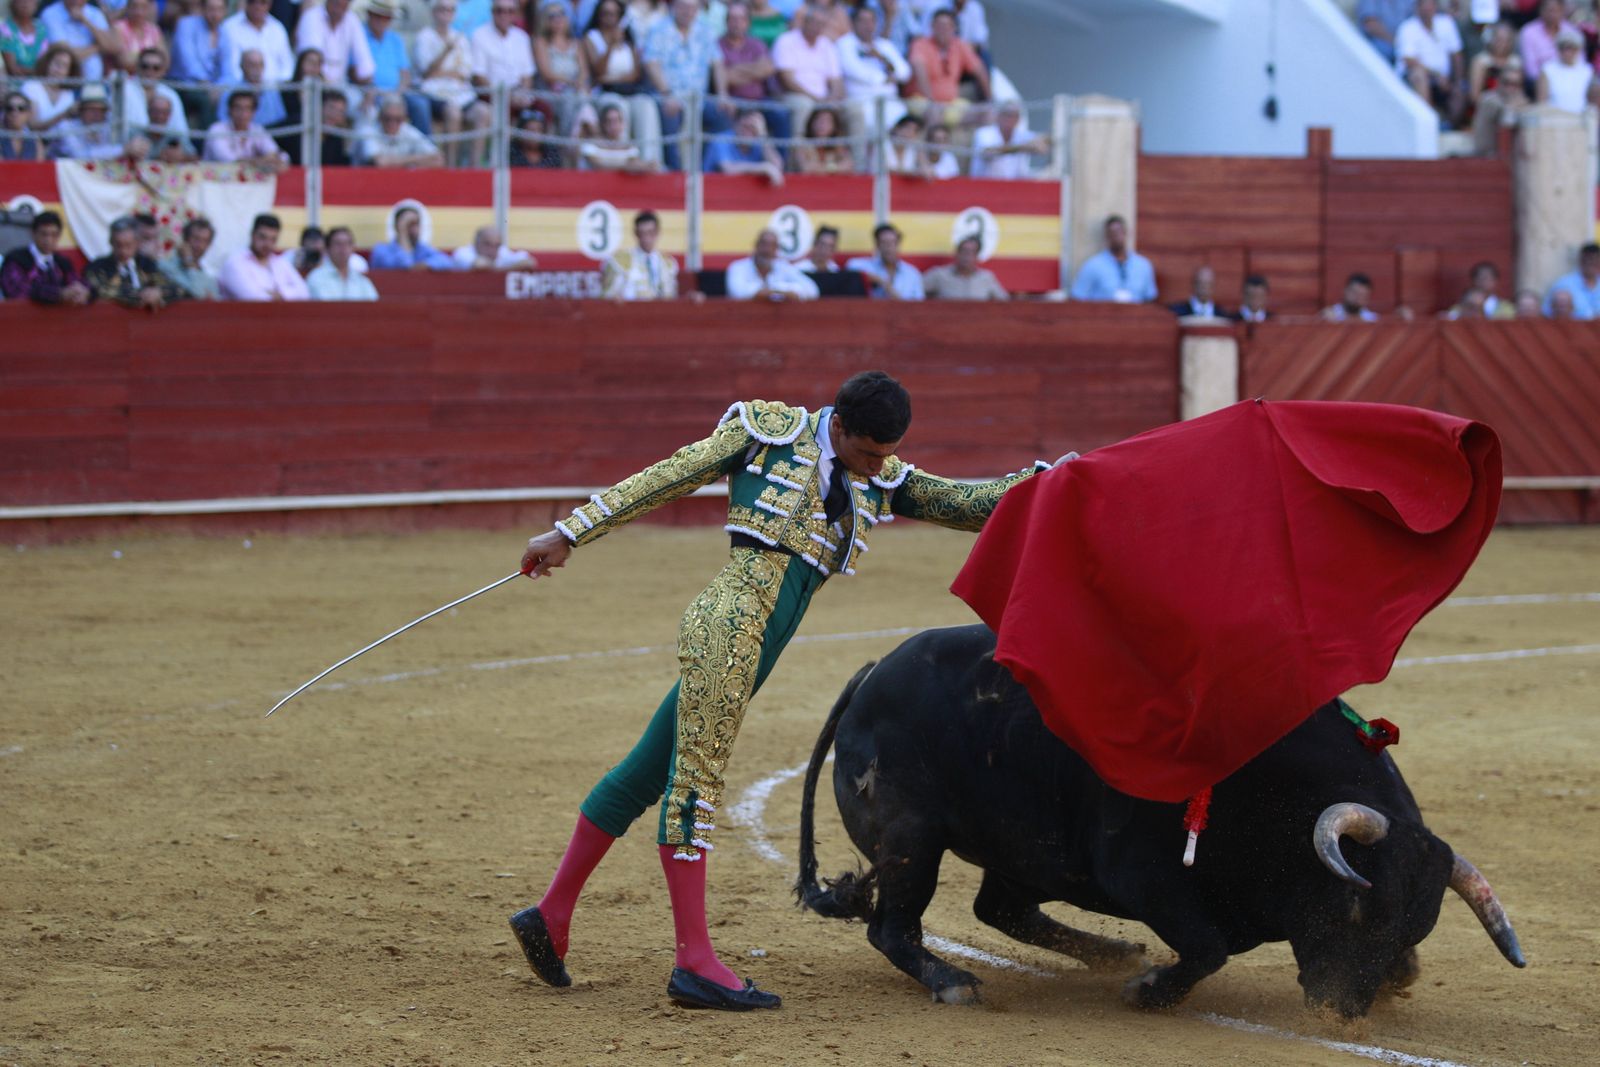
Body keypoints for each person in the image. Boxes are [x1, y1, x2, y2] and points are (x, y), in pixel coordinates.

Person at [507, 370, 1056, 1010]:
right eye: (868, 451)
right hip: (729, 629)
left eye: (888, 453)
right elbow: (667, 476)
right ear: (840, 425)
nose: (879, 465)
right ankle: (694, 964)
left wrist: (1049, 481)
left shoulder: (878, 475)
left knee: (644, 772)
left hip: (756, 646)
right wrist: (568, 533)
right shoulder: (768, 432)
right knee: (695, 786)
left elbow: (966, 503)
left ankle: (550, 915)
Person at [642, 0, 734, 171]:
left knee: (723, 114)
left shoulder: (705, 31)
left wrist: (722, 93)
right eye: (683, 7)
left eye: (692, 7)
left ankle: (709, 169)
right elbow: (651, 64)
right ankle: (676, 172)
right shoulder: (659, 30)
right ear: (674, 7)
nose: (688, 12)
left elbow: (717, 63)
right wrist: (667, 93)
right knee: (670, 115)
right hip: (668, 96)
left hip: (699, 98)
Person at [415, 0, 487, 167]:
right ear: (434, 12)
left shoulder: (460, 38)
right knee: (453, 113)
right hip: (434, 93)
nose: (446, 14)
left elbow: (466, 72)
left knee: (483, 112)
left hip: (461, 93)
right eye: (442, 9)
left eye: (450, 10)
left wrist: (442, 72)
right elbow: (426, 72)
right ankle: (451, 166)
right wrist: (445, 53)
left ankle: (475, 167)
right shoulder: (424, 36)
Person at [772, 4, 845, 147]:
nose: (817, 27)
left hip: (824, 98)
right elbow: (787, 80)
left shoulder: (827, 45)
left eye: (821, 24)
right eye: (814, 22)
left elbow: (837, 81)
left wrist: (831, 98)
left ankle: (856, 165)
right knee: (803, 105)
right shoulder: (786, 40)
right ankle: (797, 162)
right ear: (805, 21)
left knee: (854, 110)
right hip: (794, 95)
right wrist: (816, 99)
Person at [835, 3, 907, 141]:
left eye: (871, 21)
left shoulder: (884, 45)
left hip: (890, 102)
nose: (867, 25)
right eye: (862, 21)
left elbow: (904, 72)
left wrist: (882, 59)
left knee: (905, 126)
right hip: (862, 102)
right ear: (853, 23)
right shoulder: (844, 43)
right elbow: (854, 71)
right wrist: (886, 79)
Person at [906, 7, 988, 125]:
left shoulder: (959, 45)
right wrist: (931, 102)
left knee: (984, 114)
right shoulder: (920, 44)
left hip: (950, 104)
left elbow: (979, 69)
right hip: (921, 100)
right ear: (932, 26)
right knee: (932, 113)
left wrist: (989, 99)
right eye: (939, 26)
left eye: (947, 26)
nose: (942, 30)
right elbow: (920, 71)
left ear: (954, 28)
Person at [84, 216, 183, 311]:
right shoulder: (98, 267)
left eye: (128, 245)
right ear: (110, 242)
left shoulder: (146, 264)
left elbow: (177, 289)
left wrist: (159, 292)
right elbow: (103, 290)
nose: (123, 251)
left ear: (137, 242)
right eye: (118, 245)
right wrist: (144, 295)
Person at [365, 0, 433, 134]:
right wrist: (375, 90)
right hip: (371, 91)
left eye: (387, 17)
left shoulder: (395, 39)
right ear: (370, 15)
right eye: (378, 16)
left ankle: (426, 149)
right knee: (374, 109)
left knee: (420, 105)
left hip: (397, 92)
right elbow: (356, 71)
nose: (382, 21)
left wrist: (397, 92)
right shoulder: (360, 35)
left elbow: (405, 74)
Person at [1396, 0, 1465, 127]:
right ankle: (1426, 127)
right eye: (1424, 4)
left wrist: (1457, 82)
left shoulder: (1446, 23)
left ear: (1435, 6)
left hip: (1442, 80)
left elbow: (1456, 54)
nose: (1428, 8)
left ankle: (1451, 126)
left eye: (1431, 4)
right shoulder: (1407, 27)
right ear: (1417, 8)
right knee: (1419, 75)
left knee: (1460, 89)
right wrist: (1436, 75)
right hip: (1413, 79)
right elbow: (1409, 61)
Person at [0, 210, 90, 305]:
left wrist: (84, 292)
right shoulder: (16, 259)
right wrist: (58, 294)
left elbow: (79, 283)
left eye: (54, 235)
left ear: (59, 236)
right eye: (44, 234)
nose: (48, 240)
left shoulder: (62, 263)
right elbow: (16, 291)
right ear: (33, 234)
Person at [219, 213, 312, 300]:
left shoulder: (280, 263)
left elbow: (304, 292)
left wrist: (281, 294)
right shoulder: (235, 263)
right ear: (252, 234)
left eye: (273, 239)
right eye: (263, 237)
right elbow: (252, 297)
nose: (267, 244)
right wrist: (284, 294)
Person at [1069, 215, 1156, 304]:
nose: (1116, 236)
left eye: (1119, 232)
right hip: (1102, 315)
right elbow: (1077, 298)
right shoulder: (1093, 265)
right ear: (1107, 236)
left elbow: (1150, 298)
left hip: (1136, 315)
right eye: (1112, 233)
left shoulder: (1143, 265)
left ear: (1126, 233)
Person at [297, 0, 376, 89]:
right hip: (311, 87)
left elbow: (366, 66)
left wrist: (367, 88)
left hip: (340, 89)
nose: (339, 8)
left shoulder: (352, 20)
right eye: (336, 3)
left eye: (344, 4)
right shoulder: (311, 16)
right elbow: (312, 62)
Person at [601, 209, 678, 300]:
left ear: (657, 232)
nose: (646, 238)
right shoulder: (619, 261)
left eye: (650, 233)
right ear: (636, 233)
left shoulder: (668, 263)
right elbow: (607, 296)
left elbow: (672, 296)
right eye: (642, 233)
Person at [725, 227, 820, 299]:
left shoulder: (783, 267)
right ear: (756, 245)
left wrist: (783, 292)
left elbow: (812, 290)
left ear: (776, 249)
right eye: (764, 244)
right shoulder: (738, 267)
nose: (767, 250)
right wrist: (776, 292)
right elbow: (737, 292)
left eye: (772, 246)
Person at [203, 89, 288, 168]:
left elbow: (277, 154)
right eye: (238, 108)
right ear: (229, 110)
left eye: (247, 108)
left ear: (254, 112)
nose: (242, 113)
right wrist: (262, 161)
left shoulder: (257, 129)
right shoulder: (216, 130)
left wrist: (271, 158)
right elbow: (229, 161)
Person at [38, 0, 117, 81]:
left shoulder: (95, 13)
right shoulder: (50, 14)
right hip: (65, 82)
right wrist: (98, 47)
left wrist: (85, 21)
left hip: (95, 83)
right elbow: (66, 54)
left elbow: (112, 47)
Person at [969, 100, 1047, 181]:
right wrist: (1021, 148)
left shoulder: (1021, 135)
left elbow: (1041, 144)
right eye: (1007, 115)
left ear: (1018, 119)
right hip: (985, 186)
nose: (1010, 119)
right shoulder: (984, 133)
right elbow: (988, 152)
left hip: (1014, 187)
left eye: (1014, 116)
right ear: (998, 116)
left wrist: (1041, 143)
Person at [359, 93, 445, 166]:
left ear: (405, 119)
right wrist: (416, 161)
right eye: (387, 118)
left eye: (398, 119)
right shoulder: (368, 131)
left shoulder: (408, 131)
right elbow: (380, 163)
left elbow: (439, 159)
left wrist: (401, 162)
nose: (392, 123)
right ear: (380, 117)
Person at [220, 0, 295, 83]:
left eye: (263, 2)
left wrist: (273, 85)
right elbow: (231, 69)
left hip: (274, 89)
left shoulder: (277, 28)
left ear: (270, 4)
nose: (257, 6)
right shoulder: (229, 27)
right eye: (252, 1)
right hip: (240, 89)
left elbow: (287, 67)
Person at [704, 106, 785, 181]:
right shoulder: (721, 140)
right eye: (745, 126)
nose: (748, 132)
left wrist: (762, 136)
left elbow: (777, 166)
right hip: (713, 192)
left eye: (753, 128)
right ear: (735, 124)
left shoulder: (758, 141)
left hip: (743, 194)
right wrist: (762, 168)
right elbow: (728, 169)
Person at [845, 221, 922, 300]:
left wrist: (890, 290)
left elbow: (919, 304)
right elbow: (851, 269)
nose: (888, 247)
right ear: (877, 245)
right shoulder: (864, 265)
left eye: (892, 242)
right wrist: (880, 281)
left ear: (898, 244)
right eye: (884, 243)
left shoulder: (912, 273)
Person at [370, 203, 456, 270]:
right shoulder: (381, 251)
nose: (415, 229)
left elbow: (446, 262)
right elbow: (405, 265)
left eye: (417, 224)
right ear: (397, 226)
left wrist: (424, 265)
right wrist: (403, 234)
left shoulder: (422, 249)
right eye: (409, 224)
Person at [578, 100, 658, 170]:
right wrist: (627, 167)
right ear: (603, 124)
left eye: (616, 121)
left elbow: (636, 165)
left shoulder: (630, 147)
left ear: (623, 124)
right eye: (609, 121)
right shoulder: (591, 145)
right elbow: (597, 166)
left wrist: (646, 165)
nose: (613, 126)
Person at [922, 235, 1007, 301]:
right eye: (963, 251)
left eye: (971, 253)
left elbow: (1005, 303)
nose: (966, 256)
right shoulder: (940, 275)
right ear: (956, 254)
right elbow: (914, 291)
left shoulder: (986, 278)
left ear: (977, 257)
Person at [51, 82, 123, 160]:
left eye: (101, 110)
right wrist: (122, 150)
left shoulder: (108, 128)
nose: (96, 114)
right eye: (91, 109)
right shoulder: (66, 127)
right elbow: (80, 156)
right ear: (81, 111)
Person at [22, 45, 80, 138]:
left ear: (69, 72)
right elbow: (33, 126)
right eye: (57, 63)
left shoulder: (68, 95)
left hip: (61, 148)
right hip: (33, 144)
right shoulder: (32, 86)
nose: (59, 70)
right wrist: (64, 114)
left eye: (65, 66)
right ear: (47, 64)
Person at [308, 226, 381, 300]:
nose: (343, 248)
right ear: (327, 248)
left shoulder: (361, 279)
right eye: (338, 244)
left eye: (347, 244)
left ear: (353, 248)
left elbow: (374, 305)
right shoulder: (316, 277)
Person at [159, 217, 221, 301]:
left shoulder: (209, 276)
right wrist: (189, 260)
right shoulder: (166, 266)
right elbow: (197, 293)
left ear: (209, 245)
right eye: (196, 239)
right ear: (185, 239)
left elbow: (216, 301)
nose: (199, 246)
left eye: (205, 241)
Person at [1536, 28, 1598, 111]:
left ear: (1579, 49)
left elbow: (1594, 102)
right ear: (1558, 49)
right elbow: (1542, 102)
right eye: (1563, 48)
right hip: (1554, 118)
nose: (1567, 53)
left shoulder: (1588, 70)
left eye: (1572, 48)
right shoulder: (1547, 69)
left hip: (1581, 118)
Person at [1518, 0, 1579, 80]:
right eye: (1549, 10)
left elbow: (1580, 61)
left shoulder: (1572, 31)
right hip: (1539, 81)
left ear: (1562, 10)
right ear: (1541, 10)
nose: (1552, 14)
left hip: (1570, 79)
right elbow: (1531, 68)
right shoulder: (1528, 32)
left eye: (1556, 10)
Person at [1543, 242, 1600, 319]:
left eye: (1594, 260)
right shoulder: (1563, 285)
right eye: (1587, 260)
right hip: (1569, 330)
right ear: (1580, 260)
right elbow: (1546, 313)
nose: (1590, 263)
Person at [792, 105, 852, 173]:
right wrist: (835, 168)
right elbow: (806, 168)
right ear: (811, 122)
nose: (822, 125)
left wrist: (826, 168)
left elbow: (848, 165)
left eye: (827, 121)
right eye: (819, 120)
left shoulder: (837, 142)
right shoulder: (801, 142)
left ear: (834, 126)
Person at [451, 224, 536, 269]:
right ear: (476, 243)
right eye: (487, 244)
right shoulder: (462, 253)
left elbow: (529, 262)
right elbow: (480, 265)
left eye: (497, 245)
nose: (492, 249)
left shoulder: (502, 251)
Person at [2, 0, 46, 80]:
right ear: (13, 3)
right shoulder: (5, 28)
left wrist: (40, 71)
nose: (25, 3)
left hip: (40, 84)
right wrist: (37, 71)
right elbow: (13, 69)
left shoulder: (42, 28)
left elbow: (45, 66)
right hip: (15, 85)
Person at [1, 91, 45, 161]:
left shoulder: (35, 140)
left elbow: (39, 167)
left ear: (28, 113)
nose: (15, 113)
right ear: (5, 113)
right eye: (10, 109)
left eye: (21, 109)